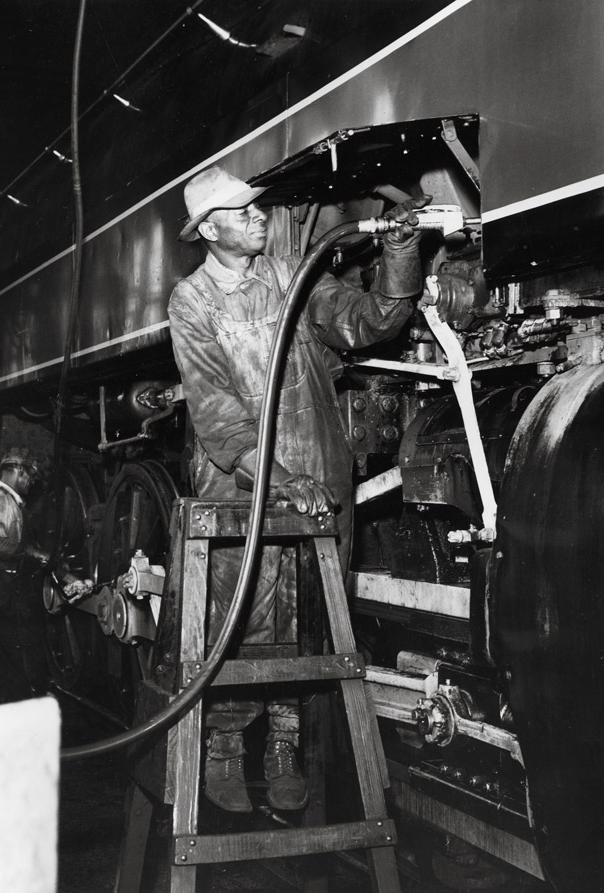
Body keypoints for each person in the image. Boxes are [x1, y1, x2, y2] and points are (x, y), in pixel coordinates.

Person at [168, 166, 425, 812]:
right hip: (240, 482)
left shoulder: (289, 274)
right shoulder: (191, 302)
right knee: (242, 609)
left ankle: (282, 742)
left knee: (306, 612)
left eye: (257, 208)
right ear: (207, 229)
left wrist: (399, 252)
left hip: (315, 472)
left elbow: (367, 319)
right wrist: (279, 482)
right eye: (241, 211)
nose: (258, 215)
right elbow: (218, 414)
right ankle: (224, 745)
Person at [0, 447, 50, 700]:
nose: (31, 483)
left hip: (10, 590)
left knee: (12, 658)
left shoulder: (13, 502)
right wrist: (35, 554)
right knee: (10, 661)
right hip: (2, 593)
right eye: (29, 477)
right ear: (18, 471)